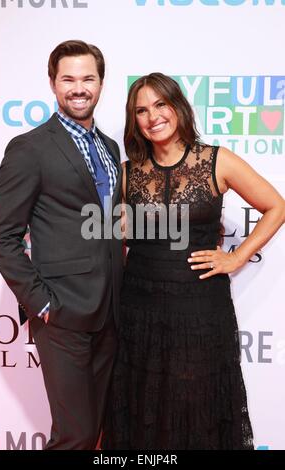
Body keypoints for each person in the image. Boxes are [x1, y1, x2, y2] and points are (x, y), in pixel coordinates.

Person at [101, 72, 285, 450]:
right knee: (142, 405)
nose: (152, 116)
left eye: (160, 104)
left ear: (178, 107)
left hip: (200, 309)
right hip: (140, 311)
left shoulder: (218, 161)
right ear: (133, 120)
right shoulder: (126, 173)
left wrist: (236, 258)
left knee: (197, 404)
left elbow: (276, 206)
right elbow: (112, 235)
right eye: (141, 110)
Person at [0, 40, 123, 450]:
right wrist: (41, 303)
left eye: (88, 79)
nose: (78, 88)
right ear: (52, 83)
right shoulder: (30, 148)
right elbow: (0, 237)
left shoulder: (109, 148)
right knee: (74, 436)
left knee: (96, 431)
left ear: (100, 83)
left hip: (110, 312)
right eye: (68, 79)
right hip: (62, 315)